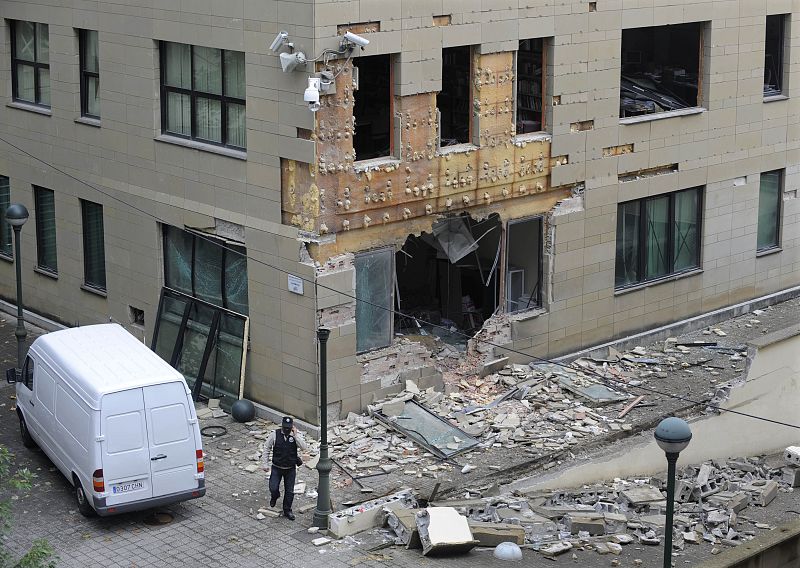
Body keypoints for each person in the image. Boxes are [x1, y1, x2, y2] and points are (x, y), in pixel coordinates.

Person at [262, 416, 307, 520]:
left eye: (288, 428)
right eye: (285, 428)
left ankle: (287, 510)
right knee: (273, 487)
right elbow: (266, 448)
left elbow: (304, 447)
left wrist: (295, 436)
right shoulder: (274, 435)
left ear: (292, 427)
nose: (286, 430)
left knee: (289, 491)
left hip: (290, 468)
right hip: (277, 467)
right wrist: (265, 464)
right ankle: (275, 496)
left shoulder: (295, 435)